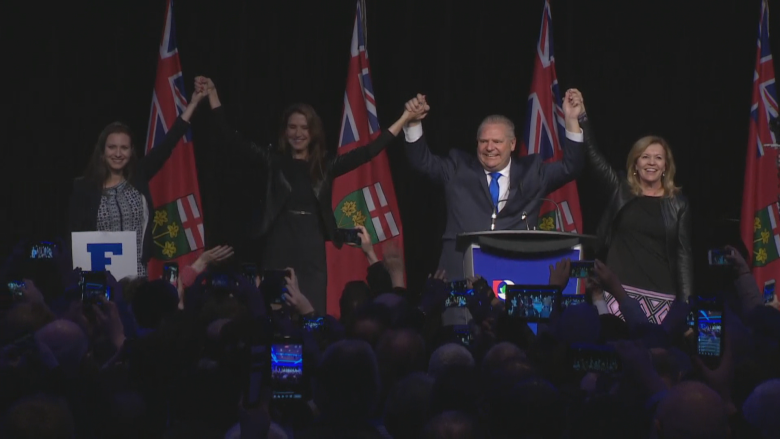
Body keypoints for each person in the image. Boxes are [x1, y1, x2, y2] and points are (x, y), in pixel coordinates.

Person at [196, 76, 422, 315]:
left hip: (311, 248)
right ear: (285, 131)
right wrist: (213, 95)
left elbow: (369, 151)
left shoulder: (325, 165)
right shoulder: (274, 162)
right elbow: (232, 141)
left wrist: (405, 118)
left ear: (313, 132)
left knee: (311, 314)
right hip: (279, 245)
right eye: (292, 127)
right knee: (276, 312)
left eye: (304, 128)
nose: (298, 133)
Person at [403, 92, 586, 279]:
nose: (489, 148)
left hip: (514, 274)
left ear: (512, 144)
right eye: (484, 141)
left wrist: (571, 120)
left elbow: (571, 167)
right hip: (462, 275)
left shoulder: (533, 173)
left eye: (497, 141)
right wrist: (413, 123)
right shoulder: (457, 168)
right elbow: (422, 162)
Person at [567, 89, 692, 302]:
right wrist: (581, 117)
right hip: (617, 294)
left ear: (665, 166)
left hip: (662, 299)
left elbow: (683, 258)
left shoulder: (678, 204)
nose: (651, 162)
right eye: (645, 157)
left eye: (658, 158)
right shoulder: (621, 188)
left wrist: (686, 306)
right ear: (635, 163)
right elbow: (594, 157)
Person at [68, 89, 206, 277]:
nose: (118, 154)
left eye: (124, 148)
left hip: (137, 276)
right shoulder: (85, 188)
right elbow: (76, 238)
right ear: (102, 151)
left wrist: (193, 104)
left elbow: (168, 144)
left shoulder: (138, 175)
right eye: (112, 147)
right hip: (99, 278)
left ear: (131, 151)